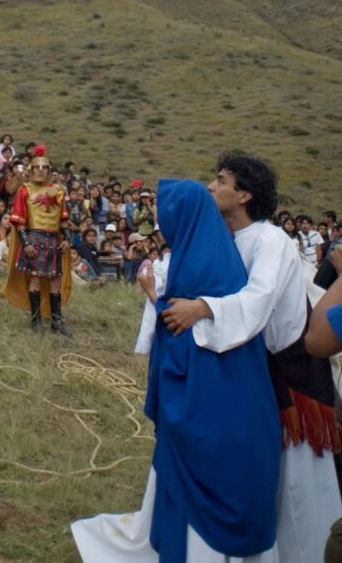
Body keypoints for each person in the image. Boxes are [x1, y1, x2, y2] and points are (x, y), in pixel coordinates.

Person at [72, 179, 281, 563]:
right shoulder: (211, 252)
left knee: (200, 477)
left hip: (208, 402)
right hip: (232, 400)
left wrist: (157, 299)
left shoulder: (205, 262)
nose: (160, 219)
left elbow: (183, 327)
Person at [161, 153, 341, 563]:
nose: (211, 187)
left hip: (292, 375)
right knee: (259, 476)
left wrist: (202, 308)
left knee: (298, 488)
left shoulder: (271, 240)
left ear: (243, 194)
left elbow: (257, 301)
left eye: (220, 180)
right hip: (249, 373)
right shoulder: (224, 237)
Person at [1, 144, 71, 334]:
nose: (40, 171)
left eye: (44, 167)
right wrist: (26, 243)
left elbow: (63, 220)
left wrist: (66, 239)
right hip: (34, 238)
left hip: (53, 240)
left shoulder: (58, 191)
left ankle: (56, 321)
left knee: (55, 280)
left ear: (49, 170)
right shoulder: (25, 190)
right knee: (35, 279)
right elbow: (19, 221)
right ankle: (36, 321)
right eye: (37, 167)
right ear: (31, 170)